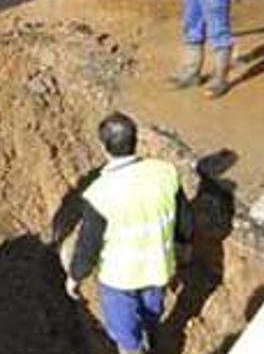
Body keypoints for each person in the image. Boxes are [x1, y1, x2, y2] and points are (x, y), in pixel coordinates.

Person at [64, 112, 195, 354]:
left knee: (126, 338)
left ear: (104, 147)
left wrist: (75, 276)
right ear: (136, 140)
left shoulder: (100, 193)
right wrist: (184, 248)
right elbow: (185, 219)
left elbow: (88, 245)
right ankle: (153, 340)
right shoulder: (165, 173)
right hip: (158, 268)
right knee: (151, 315)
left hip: (119, 279)